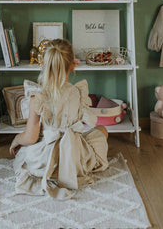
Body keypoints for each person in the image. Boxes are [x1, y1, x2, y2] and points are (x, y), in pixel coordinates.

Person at [10, 39, 109, 200]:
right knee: (102, 131)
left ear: (43, 64)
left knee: (25, 150)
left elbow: (30, 137)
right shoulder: (78, 92)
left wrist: (16, 139)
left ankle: (52, 171)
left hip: (44, 161)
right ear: (73, 65)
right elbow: (86, 125)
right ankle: (69, 170)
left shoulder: (38, 95)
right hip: (73, 159)